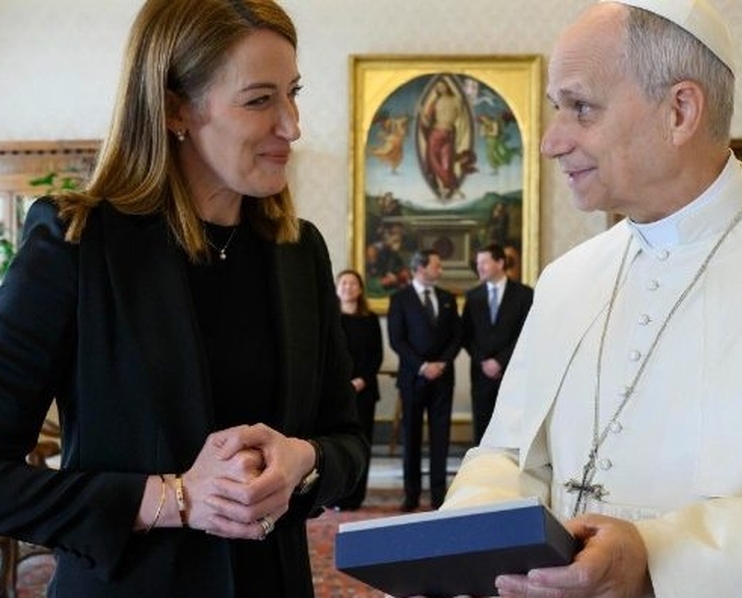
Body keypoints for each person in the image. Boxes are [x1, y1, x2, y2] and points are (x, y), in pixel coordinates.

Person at [440, 1, 742, 597]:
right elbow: (510, 454)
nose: (552, 141)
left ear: (680, 110)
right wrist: (470, 540)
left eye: (581, 107)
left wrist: (657, 558)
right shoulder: (567, 278)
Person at [0, 1, 367, 596]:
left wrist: (304, 460)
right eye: (260, 100)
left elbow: (348, 444)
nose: (293, 125)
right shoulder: (76, 245)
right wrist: (174, 498)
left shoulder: (299, 251)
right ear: (174, 109)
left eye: (293, 93)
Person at [387, 249, 462, 511]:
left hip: (442, 378)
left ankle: (438, 494)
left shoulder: (448, 298)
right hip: (412, 378)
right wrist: (422, 366)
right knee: (411, 438)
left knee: (441, 439)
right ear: (420, 268)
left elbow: (457, 336)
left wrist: (441, 363)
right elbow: (397, 340)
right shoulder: (400, 299)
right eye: (436, 265)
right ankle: (411, 494)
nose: (440, 270)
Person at [460, 243, 533, 444]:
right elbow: (466, 335)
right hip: (481, 373)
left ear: (500, 263)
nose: (479, 267)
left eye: (484, 262)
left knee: (512, 427)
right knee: (482, 426)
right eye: (478, 263)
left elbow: (526, 334)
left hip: (513, 371)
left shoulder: (524, 294)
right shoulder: (473, 296)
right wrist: (484, 362)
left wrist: (500, 361)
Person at [333, 269, 384, 511]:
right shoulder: (330, 318)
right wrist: (343, 382)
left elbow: (377, 355)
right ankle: (336, 495)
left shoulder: (370, 318)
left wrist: (362, 379)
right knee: (337, 445)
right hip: (337, 392)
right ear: (336, 288)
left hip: (365, 391)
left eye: (353, 283)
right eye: (343, 283)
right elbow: (327, 355)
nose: (348, 287)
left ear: (361, 289)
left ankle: (356, 497)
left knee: (363, 443)